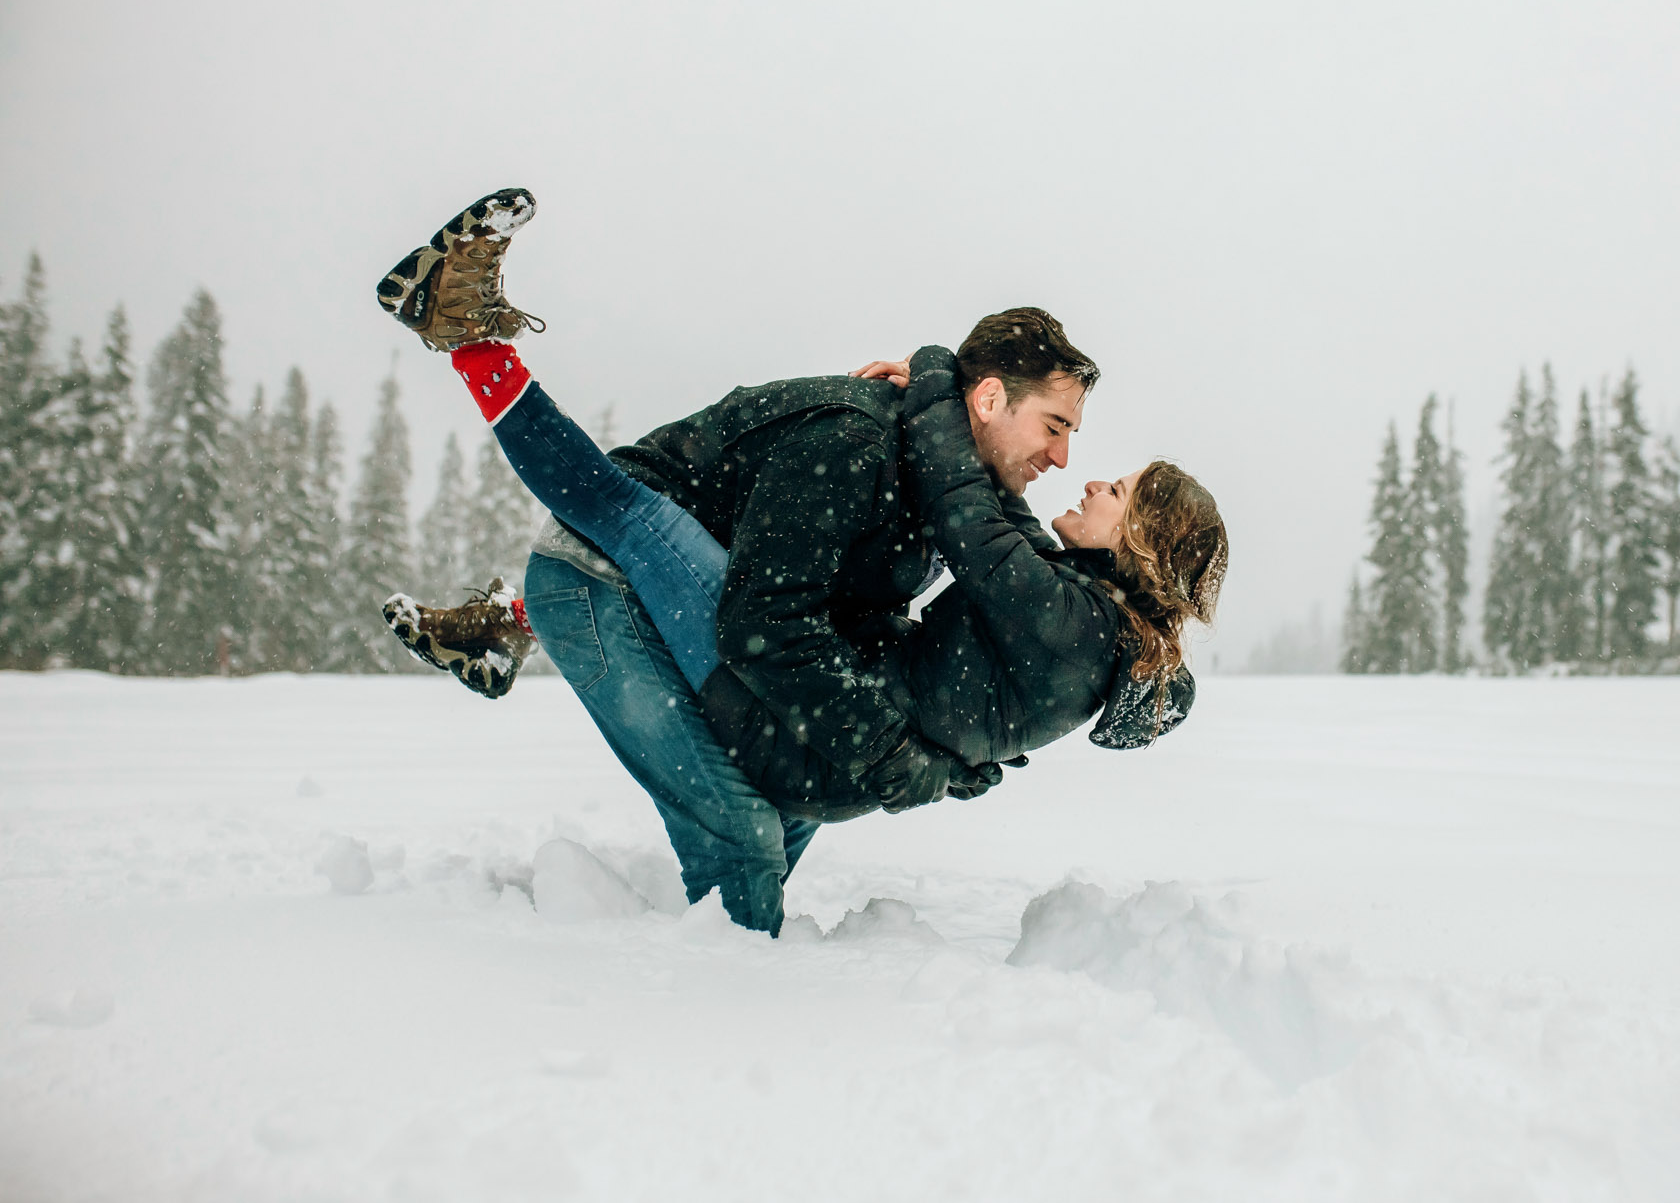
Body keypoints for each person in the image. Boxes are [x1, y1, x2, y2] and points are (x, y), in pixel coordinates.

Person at [377, 187, 1227, 934]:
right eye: (1057, 427)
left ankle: (504, 625)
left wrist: (934, 378)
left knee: (754, 603)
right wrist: (902, 757)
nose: (1068, 461)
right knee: (618, 512)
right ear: (993, 398)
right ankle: (466, 335)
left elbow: (954, 534)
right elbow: (767, 612)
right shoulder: (862, 445)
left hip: (737, 600)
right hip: (662, 535)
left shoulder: (988, 532)